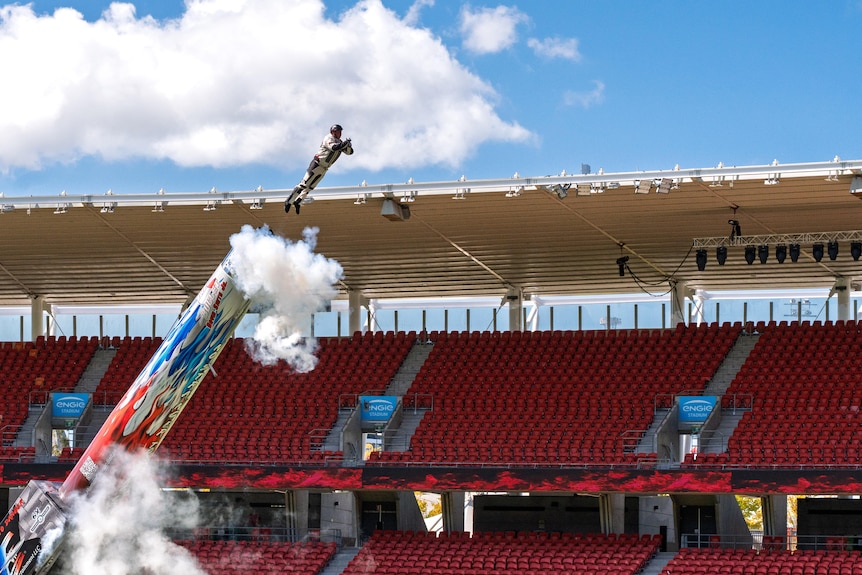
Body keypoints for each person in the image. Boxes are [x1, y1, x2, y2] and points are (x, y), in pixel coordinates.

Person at [285, 124, 354, 214]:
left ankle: (298, 202)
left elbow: (350, 152)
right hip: (317, 164)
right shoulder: (328, 138)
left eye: (341, 132)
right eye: (338, 131)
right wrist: (345, 143)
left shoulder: (340, 142)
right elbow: (334, 147)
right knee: (304, 184)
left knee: (310, 187)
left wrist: (348, 146)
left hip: (324, 168)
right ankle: (289, 201)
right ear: (333, 132)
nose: (340, 133)